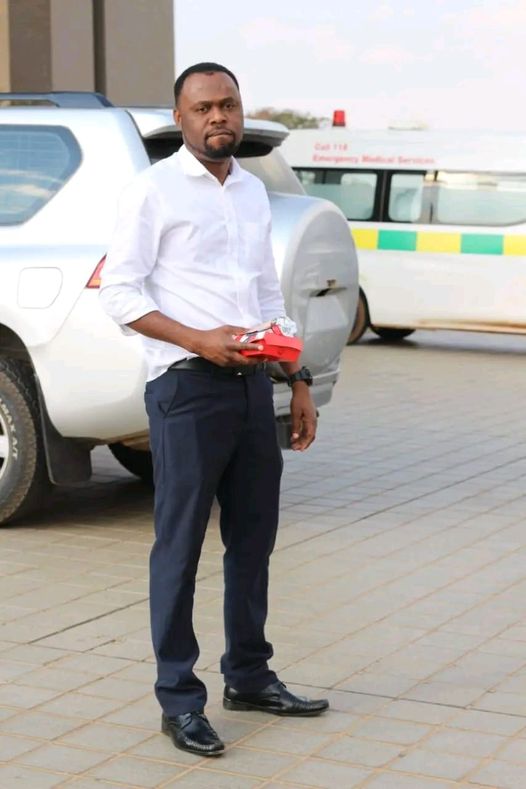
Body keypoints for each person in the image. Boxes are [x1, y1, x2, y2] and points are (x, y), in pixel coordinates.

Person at [99, 61, 328, 758]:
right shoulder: (153, 190)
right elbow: (120, 293)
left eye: (227, 104)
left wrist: (296, 378)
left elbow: (265, 296)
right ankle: (179, 699)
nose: (218, 116)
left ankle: (249, 676)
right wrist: (198, 338)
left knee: (254, 538)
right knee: (180, 546)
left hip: (253, 387)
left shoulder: (252, 192)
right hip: (187, 389)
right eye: (202, 108)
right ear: (181, 119)